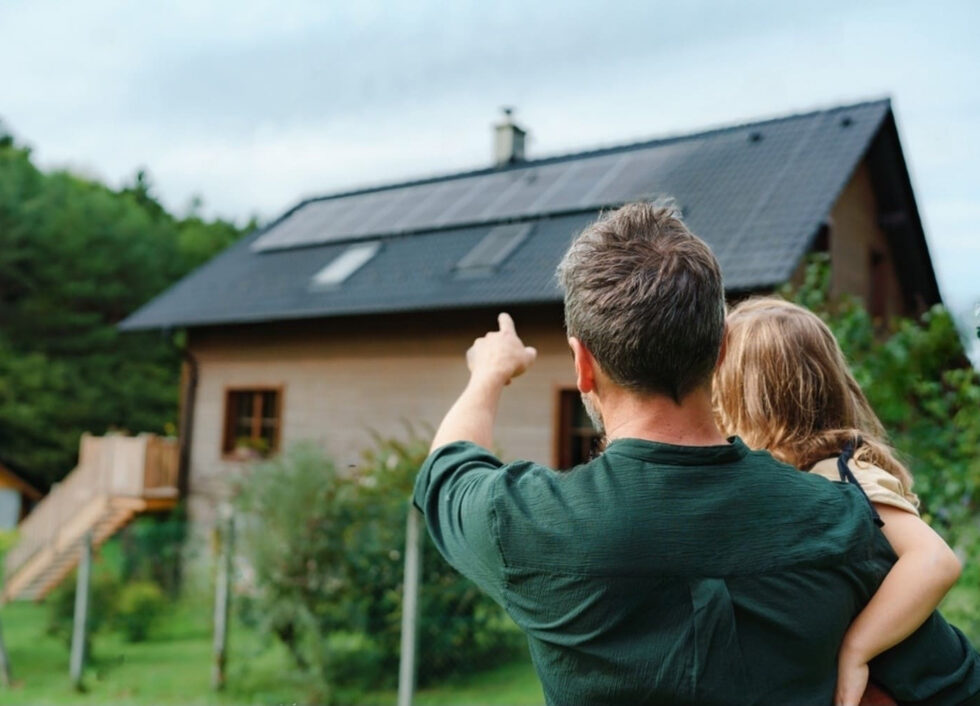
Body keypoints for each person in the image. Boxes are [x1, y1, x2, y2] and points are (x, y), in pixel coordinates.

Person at [413, 203, 980, 705]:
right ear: (720, 348)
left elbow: (450, 464)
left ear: (582, 364)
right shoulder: (840, 521)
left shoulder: (525, 525)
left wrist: (489, 374)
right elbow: (957, 682)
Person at [713, 297, 963, 705]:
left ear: (749, 399)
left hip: (939, 690)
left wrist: (857, 650)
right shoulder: (797, 478)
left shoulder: (843, 474)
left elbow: (935, 562)